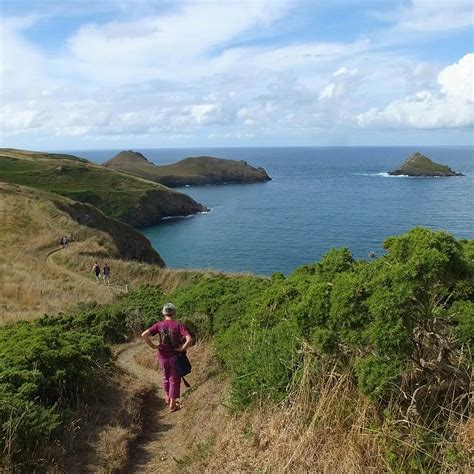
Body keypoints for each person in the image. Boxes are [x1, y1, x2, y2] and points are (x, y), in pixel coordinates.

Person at [141, 303, 192, 412]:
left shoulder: (159, 325)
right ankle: (172, 405)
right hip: (174, 357)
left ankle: (168, 397)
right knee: (174, 379)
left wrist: (154, 346)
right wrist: (182, 348)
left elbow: (144, 335)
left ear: (163, 313)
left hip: (162, 357)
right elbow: (189, 339)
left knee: (165, 377)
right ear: (174, 312)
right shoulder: (178, 325)